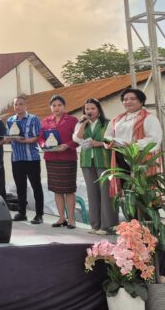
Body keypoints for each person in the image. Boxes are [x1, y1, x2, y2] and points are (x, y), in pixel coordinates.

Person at [104, 88, 163, 196]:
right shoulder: (117, 119)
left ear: (141, 101)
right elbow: (107, 135)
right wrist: (111, 141)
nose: (128, 101)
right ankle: (128, 206)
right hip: (120, 155)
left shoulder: (149, 118)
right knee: (125, 187)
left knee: (141, 190)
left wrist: (132, 146)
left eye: (132, 99)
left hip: (139, 157)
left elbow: (154, 139)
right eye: (125, 99)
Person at [74, 98, 116, 235]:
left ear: (98, 110)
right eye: (87, 109)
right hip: (87, 161)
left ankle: (107, 226)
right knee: (92, 193)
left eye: (92, 108)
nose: (89, 111)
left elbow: (112, 140)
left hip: (103, 160)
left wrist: (100, 143)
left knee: (105, 193)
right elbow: (77, 138)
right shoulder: (81, 123)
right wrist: (83, 124)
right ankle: (95, 225)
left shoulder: (107, 123)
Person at [39, 95, 79, 229]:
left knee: (69, 190)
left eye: (59, 105)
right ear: (50, 107)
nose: (56, 108)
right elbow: (41, 138)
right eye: (54, 105)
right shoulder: (46, 121)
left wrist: (67, 145)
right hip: (51, 159)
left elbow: (78, 139)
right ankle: (61, 218)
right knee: (57, 190)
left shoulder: (73, 120)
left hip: (67, 158)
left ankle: (71, 219)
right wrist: (43, 144)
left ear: (64, 106)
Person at [5, 96, 44, 225]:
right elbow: (7, 137)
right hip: (16, 158)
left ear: (25, 106)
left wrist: (24, 141)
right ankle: (22, 213)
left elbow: (37, 137)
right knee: (20, 187)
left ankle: (39, 215)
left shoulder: (33, 119)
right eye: (16, 104)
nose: (18, 107)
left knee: (36, 186)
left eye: (21, 104)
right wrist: (8, 138)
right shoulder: (10, 120)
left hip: (31, 158)